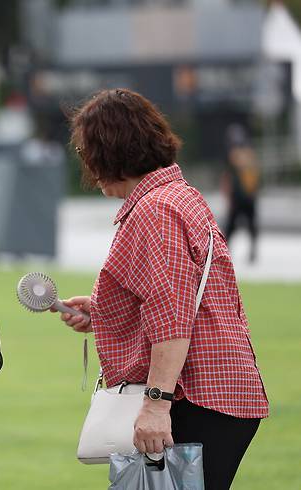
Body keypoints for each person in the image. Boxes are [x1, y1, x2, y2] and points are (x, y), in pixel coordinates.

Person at [57, 89, 268, 490]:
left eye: (88, 152)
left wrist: (156, 406)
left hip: (195, 399)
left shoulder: (156, 209)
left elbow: (171, 317)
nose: (86, 164)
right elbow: (181, 299)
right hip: (211, 396)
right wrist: (103, 311)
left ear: (109, 152)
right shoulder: (177, 196)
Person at [221, 123, 260, 263]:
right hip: (246, 196)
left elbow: (228, 177)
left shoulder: (234, 153)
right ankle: (250, 252)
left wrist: (228, 195)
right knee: (244, 225)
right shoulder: (249, 152)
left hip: (240, 196)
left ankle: (225, 251)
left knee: (234, 226)